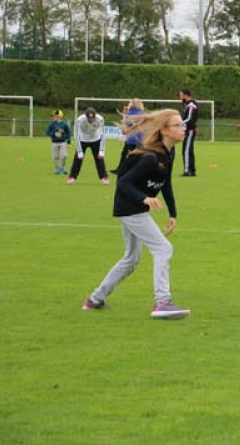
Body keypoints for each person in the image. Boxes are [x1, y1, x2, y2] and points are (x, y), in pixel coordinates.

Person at [81, 109, 190, 319]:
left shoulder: (168, 153)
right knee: (163, 249)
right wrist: (144, 198)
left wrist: (173, 213)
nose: (183, 128)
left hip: (132, 208)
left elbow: (166, 183)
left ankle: (95, 299)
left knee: (131, 259)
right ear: (164, 130)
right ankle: (162, 302)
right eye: (178, 125)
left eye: (182, 124)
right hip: (130, 208)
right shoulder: (150, 158)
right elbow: (123, 182)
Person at [67, 107, 109, 185]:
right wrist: (79, 151)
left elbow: (103, 134)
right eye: (89, 118)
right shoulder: (80, 120)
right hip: (83, 139)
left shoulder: (100, 119)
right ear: (86, 116)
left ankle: (104, 177)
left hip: (95, 139)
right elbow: (76, 134)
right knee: (78, 158)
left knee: (99, 158)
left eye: (92, 118)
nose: (91, 120)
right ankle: (72, 177)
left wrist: (102, 150)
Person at [113, 99, 146, 175]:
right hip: (142, 139)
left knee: (127, 156)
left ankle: (122, 171)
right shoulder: (144, 114)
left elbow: (124, 129)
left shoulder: (128, 114)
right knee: (141, 157)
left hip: (131, 139)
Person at [45, 109, 72, 175]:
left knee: (64, 156)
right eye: (53, 116)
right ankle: (57, 169)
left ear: (59, 117)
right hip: (54, 142)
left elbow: (68, 133)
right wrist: (53, 134)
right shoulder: (51, 124)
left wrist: (69, 142)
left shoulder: (64, 124)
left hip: (63, 142)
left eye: (54, 116)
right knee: (55, 157)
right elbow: (47, 132)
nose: (53, 117)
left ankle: (62, 168)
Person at [179, 89, 198, 177]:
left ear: (185, 95)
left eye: (181, 94)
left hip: (189, 130)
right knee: (189, 150)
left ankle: (187, 170)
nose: (180, 96)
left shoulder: (191, 105)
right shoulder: (188, 104)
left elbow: (190, 119)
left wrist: (179, 123)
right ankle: (192, 170)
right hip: (189, 130)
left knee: (186, 150)